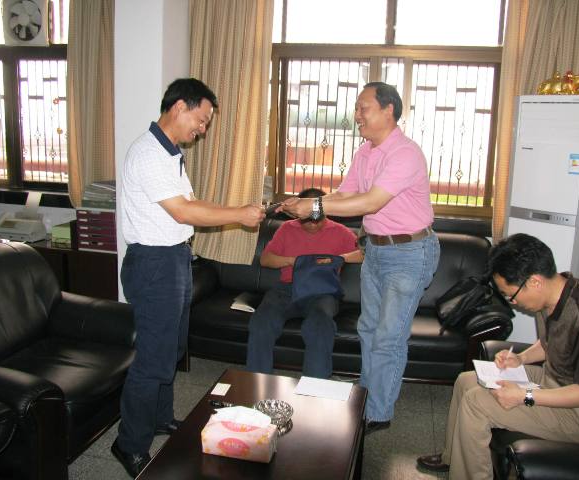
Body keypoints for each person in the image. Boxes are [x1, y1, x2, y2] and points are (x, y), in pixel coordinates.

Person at [114, 78, 265, 478]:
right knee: (153, 359)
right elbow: (183, 212)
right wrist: (238, 215)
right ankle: (129, 443)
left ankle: (160, 418)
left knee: (172, 348)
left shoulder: (171, 153)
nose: (203, 128)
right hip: (154, 264)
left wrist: (238, 208)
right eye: (201, 119)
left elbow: (191, 204)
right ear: (179, 106)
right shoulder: (148, 153)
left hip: (176, 258)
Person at [281, 82, 440, 434]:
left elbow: (371, 202)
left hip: (409, 253)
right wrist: (306, 204)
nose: (356, 115)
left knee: (388, 337)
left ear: (388, 110)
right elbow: (345, 194)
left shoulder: (405, 154)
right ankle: (368, 397)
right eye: (356, 109)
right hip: (376, 250)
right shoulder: (365, 151)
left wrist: (315, 207)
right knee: (369, 329)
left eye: (363, 108)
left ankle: (378, 414)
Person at [417, 233, 579, 480]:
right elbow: (550, 342)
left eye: (512, 295)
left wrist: (525, 396)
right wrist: (521, 359)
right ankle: (453, 458)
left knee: (477, 403)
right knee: (466, 380)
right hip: (554, 381)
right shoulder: (555, 294)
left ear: (534, 282)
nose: (513, 303)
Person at [246, 188, 362, 379]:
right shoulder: (287, 229)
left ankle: (313, 389)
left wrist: (341, 258)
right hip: (286, 290)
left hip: (322, 292)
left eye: (317, 218)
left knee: (320, 326)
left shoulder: (341, 232)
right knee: (262, 322)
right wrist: (292, 261)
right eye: (307, 219)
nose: (313, 224)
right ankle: (258, 383)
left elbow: (364, 254)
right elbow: (265, 260)